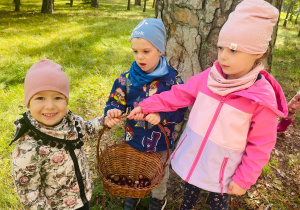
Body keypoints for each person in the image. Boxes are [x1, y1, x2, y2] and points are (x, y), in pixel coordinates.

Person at [128, 0, 288, 209]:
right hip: (196, 156)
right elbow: (180, 94)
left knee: (218, 202)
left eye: (233, 50)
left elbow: (262, 144)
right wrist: (149, 105)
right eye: (221, 47)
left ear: (257, 52)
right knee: (190, 193)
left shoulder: (260, 99)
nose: (222, 56)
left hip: (223, 169)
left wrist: (244, 179)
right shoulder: (210, 77)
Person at [104, 18, 186, 210]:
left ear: (160, 50)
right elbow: (114, 101)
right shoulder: (126, 80)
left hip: (161, 142)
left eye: (146, 51)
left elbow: (181, 111)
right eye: (135, 51)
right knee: (133, 169)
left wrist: (162, 117)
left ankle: (158, 199)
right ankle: (135, 191)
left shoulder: (172, 81)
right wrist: (113, 111)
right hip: (134, 138)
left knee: (159, 174)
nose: (140, 57)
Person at [10, 59, 114, 210]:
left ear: (66, 100)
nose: (50, 106)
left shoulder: (71, 122)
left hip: (82, 197)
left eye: (58, 98)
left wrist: (104, 122)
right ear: (28, 103)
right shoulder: (28, 148)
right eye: (40, 98)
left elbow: (87, 129)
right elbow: (29, 193)